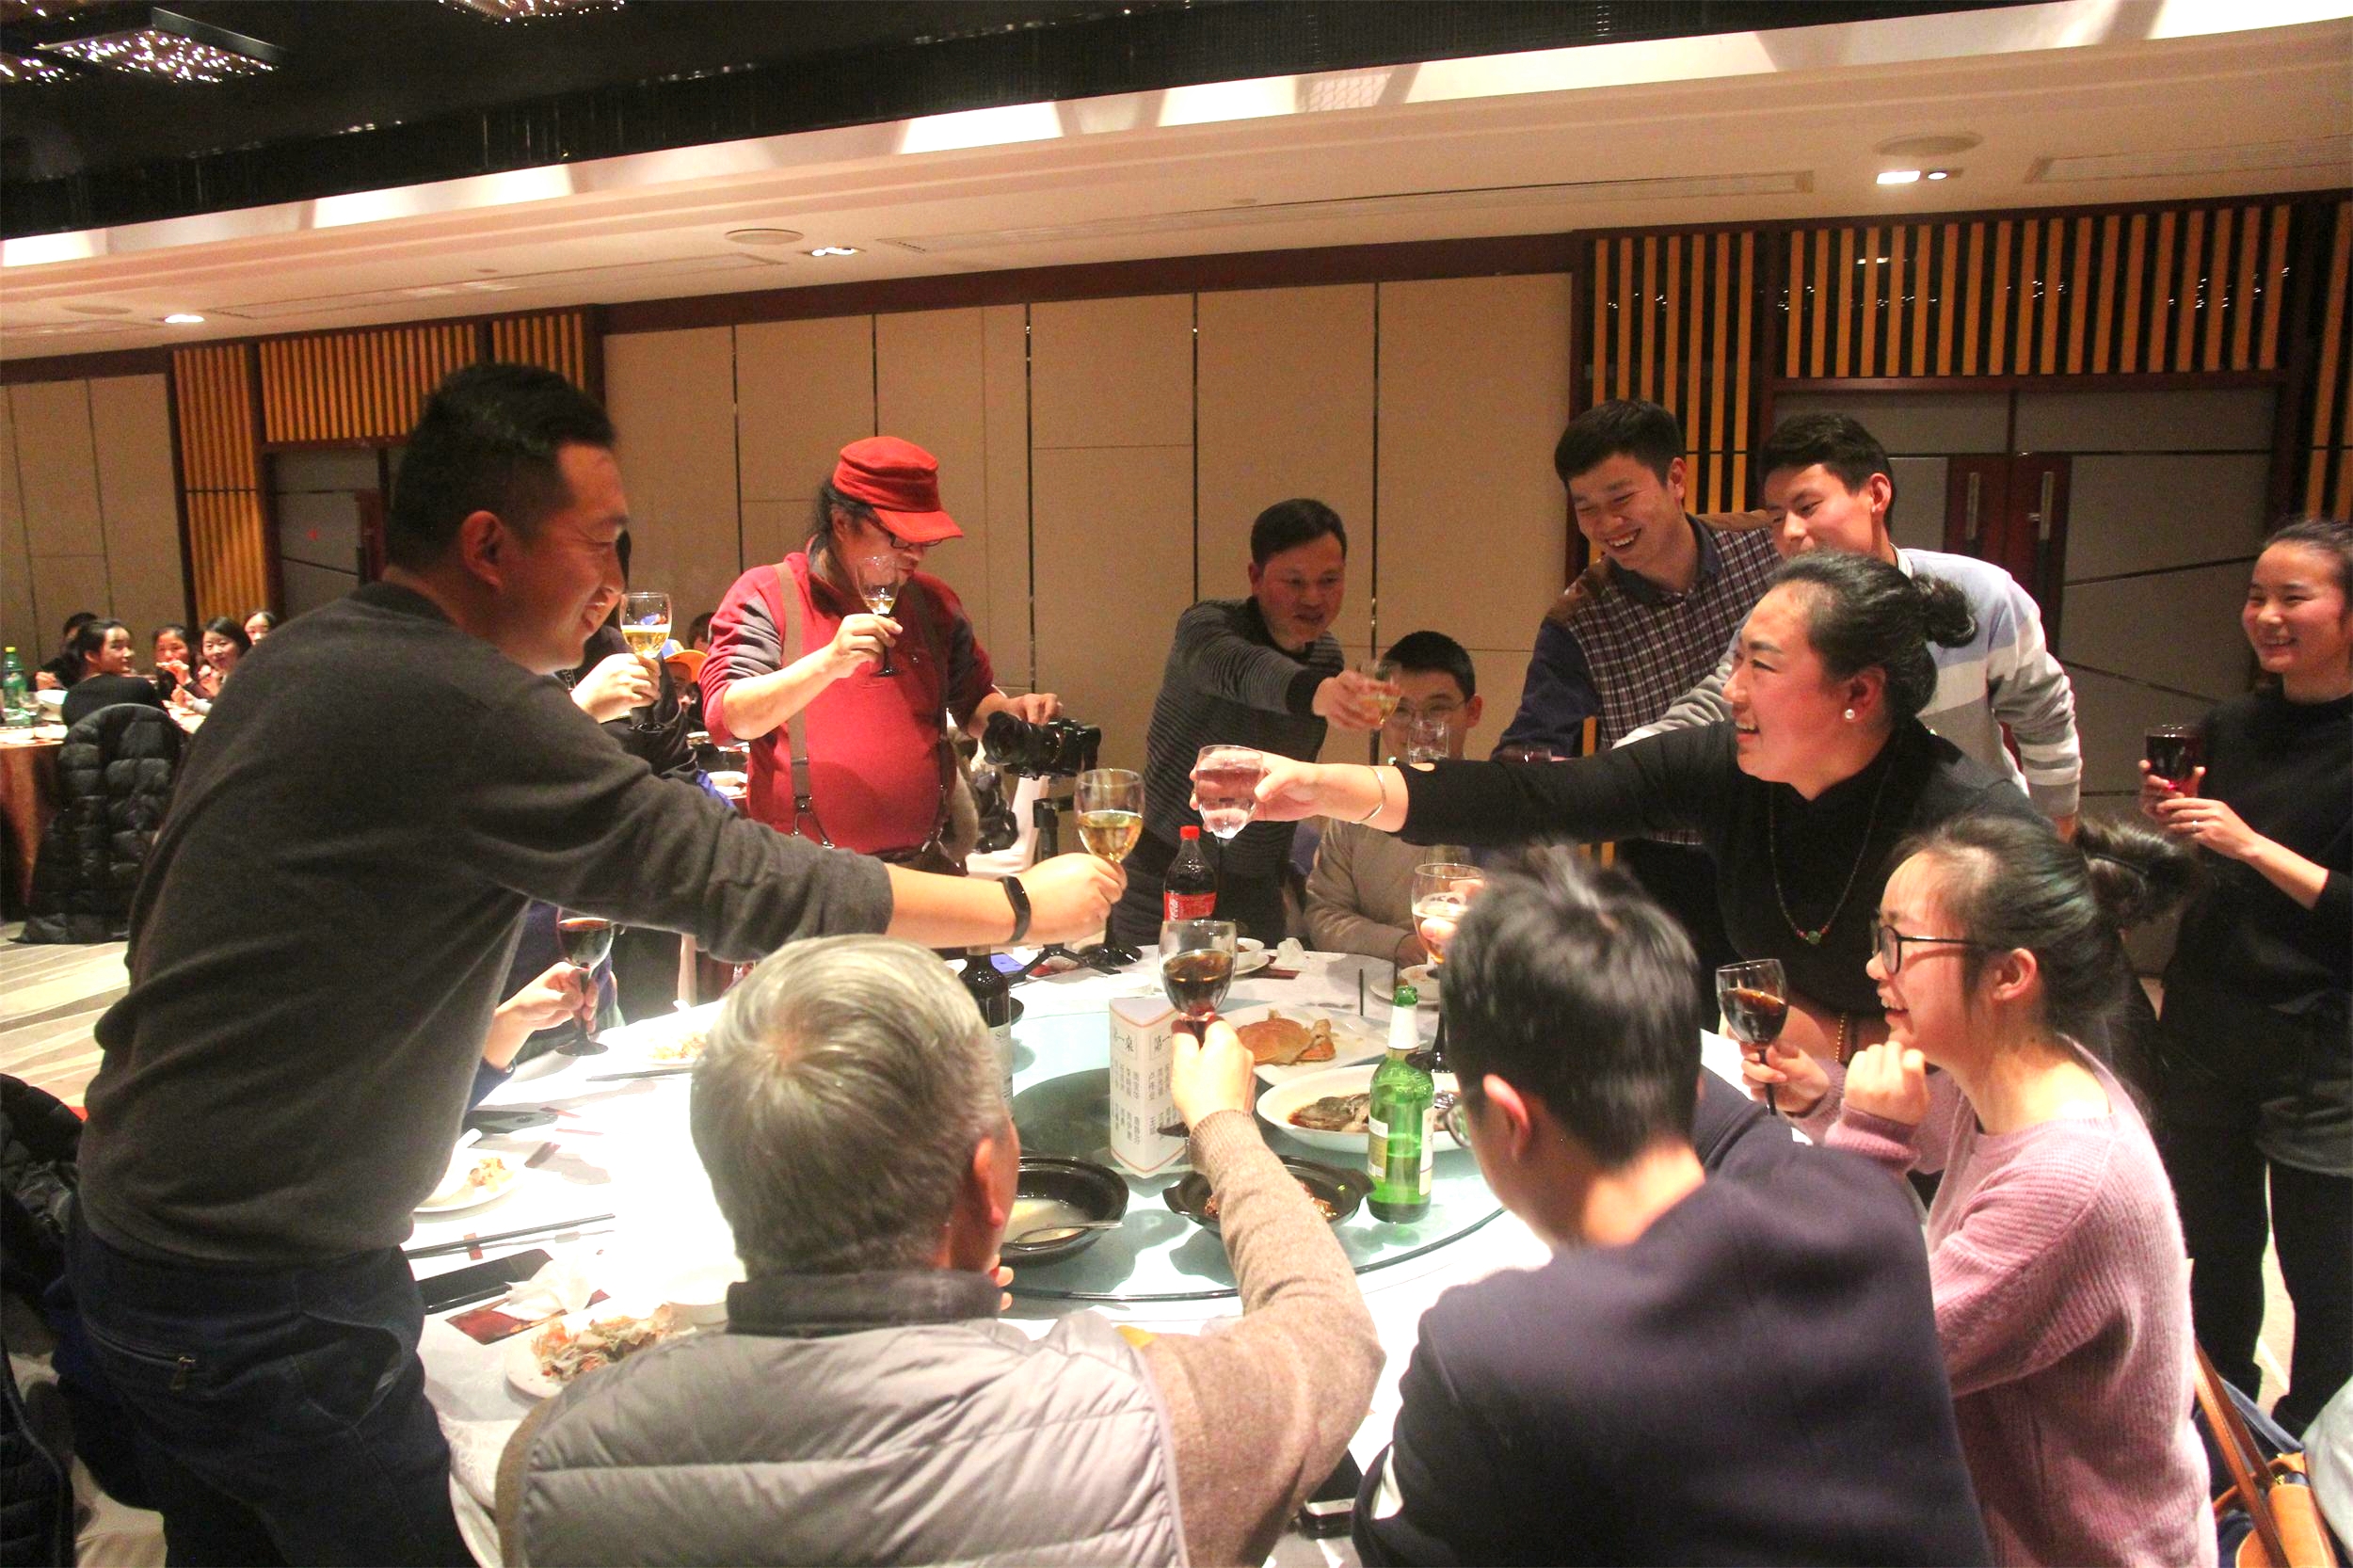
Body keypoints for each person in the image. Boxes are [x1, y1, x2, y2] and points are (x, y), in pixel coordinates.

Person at [63, 362, 1121, 1568]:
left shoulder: (305, 657)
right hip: (265, 1287)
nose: (618, 583)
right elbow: (730, 876)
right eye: (603, 543)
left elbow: (193, 937)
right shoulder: (459, 701)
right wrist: (1014, 904)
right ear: (488, 545)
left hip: (140, 1236)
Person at [498, 936, 1381, 1567]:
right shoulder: (1143, 1425)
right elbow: (1330, 1331)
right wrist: (1222, 1123)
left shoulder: (550, 1462)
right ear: (991, 1177)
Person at [1355, 848, 1989, 1567]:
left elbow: (1387, 1543)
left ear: (1508, 1119)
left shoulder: (1495, 1349)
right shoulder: (1865, 1207)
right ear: (1689, 1071)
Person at [1238, 552, 2044, 1064]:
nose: (1731, 691)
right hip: (1798, 1102)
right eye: (1735, 663)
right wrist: (1321, 786)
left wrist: (1842, 1038)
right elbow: (1539, 797)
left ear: (1858, 694)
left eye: (1760, 667)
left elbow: (2043, 1049)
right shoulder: (1726, 764)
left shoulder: (1979, 831)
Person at [1751, 815, 2214, 1567]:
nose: (1875, 967)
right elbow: (1930, 1128)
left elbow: (1841, 1361)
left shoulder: (2066, 1189)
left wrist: (1866, 1139)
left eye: (1898, 942)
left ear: (2008, 975)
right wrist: (1827, 1095)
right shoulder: (2023, 1071)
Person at [1628, 413, 2083, 837]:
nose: (1789, 532)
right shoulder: (1777, 618)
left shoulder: (1982, 594)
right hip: (1851, 848)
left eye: (1807, 507)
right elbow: (1714, 704)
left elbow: (2043, 714)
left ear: (1876, 495)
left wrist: (2054, 837)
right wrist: (1617, 767)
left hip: (1976, 846)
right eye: (1777, 517)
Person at [2144, 516, 2351, 1436]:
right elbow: (2210, 874)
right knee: (2211, 1253)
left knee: (2327, 1276)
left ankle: (2311, 1461)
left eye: (2292, 598)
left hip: (2324, 1040)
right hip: (2209, 1021)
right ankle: (2218, 1439)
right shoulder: (2231, 725)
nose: (2266, 615)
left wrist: (2249, 843)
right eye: (2256, 596)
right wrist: (2183, 825)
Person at [1497, 399, 1783, 1002]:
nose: (1606, 524)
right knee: (1673, 1030)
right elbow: (1530, 749)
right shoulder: (1580, 620)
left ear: (1676, 478)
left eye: (1621, 498)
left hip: (1787, 838)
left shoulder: (1769, 547)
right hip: (1669, 863)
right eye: (1586, 508)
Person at [700, 436, 1056, 862]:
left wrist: (1012, 715)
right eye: (899, 538)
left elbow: (973, 702)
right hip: (803, 875)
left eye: (925, 541)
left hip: (921, 864)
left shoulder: (933, 603)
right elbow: (728, 719)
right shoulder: (769, 594)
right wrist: (828, 663)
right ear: (842, 522)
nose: (916, 554)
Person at [1112, 498, 1389, 945]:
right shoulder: (1207, 627)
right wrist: (1319, 693)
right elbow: (1245, 671)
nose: (1313, 598)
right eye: (1294, 582)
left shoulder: (1326, 654)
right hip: (1165, 868)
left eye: (1329, 580)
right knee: (1150, 987)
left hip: (1257, 882)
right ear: (1255, 577)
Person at [1305, 631, 1482, 965]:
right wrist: (1399, 944)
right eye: (1401, 710)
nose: (1420, 726)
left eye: (1438, 709)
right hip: (1379, 982)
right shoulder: (1356, 805)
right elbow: (1324, 914)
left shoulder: (1502, 801)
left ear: (1473, 711)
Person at [179, 616, 251, 708]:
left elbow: (234, 713)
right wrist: (191, 702)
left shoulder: (249, 675)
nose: (216, 651)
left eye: (222, 644)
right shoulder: (225, 675)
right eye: (209, 646)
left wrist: (195, 704)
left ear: (240, 644)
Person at [32, 610, 95, 690]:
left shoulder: (107, 670)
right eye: (72, 642)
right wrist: (39, 688)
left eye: (82, 641)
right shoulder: (55, 669)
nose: (76, 648)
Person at [150, 623, 193, 702]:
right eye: (161, 649)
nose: (168, 655)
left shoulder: (204, 676)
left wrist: (189, 682)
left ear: (190, 649)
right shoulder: (156, 681)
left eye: (175, 648)